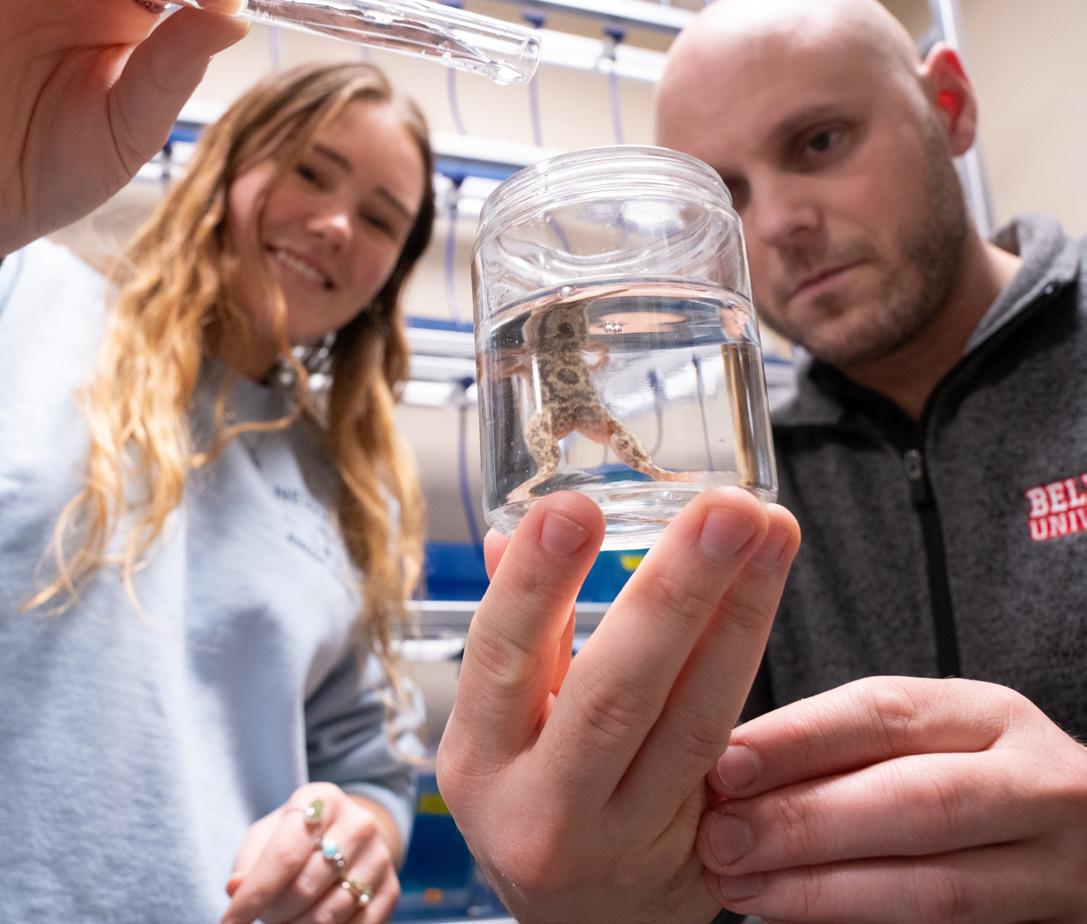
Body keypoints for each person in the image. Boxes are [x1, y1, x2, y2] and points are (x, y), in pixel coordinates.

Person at [436, 1, 1087, 922]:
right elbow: (711, 849)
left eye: (819, 142)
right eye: (730, 192)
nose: (776, 223)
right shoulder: (731, 497)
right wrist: (618, 894)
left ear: (948, 105)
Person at [1, 3, 437, 921]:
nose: (335, 224)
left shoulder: (352, 493)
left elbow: (367, 771)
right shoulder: (24, 291)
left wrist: (355, 833)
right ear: (231, 165)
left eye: (379, 220)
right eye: (309, 170)